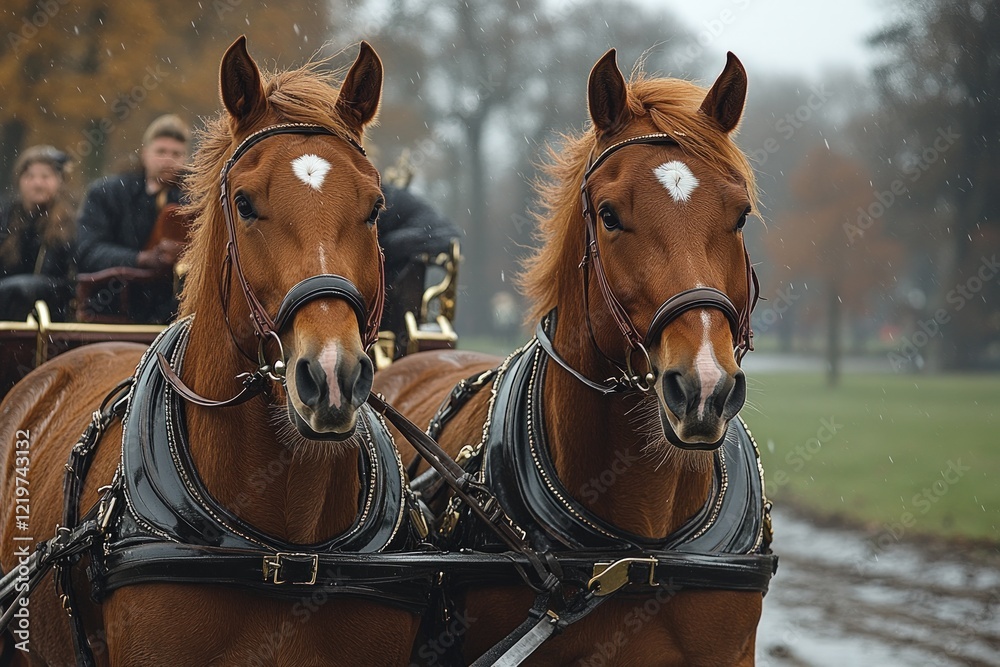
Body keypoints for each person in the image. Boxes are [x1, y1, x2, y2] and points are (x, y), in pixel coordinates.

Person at [75, 114, 189, 323]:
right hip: (113, 307)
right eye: (161, 151)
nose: (168, 159)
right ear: (145, 154)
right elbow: (87, 251)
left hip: (174, 311)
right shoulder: (107, 193)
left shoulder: (196, 200)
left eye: (176, 153)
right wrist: (141, 259)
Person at [0, 145, 76, 320]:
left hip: (52, 309)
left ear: (60, 181)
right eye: (30, 176)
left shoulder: (71, 222)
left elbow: (69, 280)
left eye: (45, 176)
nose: (37, 183)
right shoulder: (5, 216)